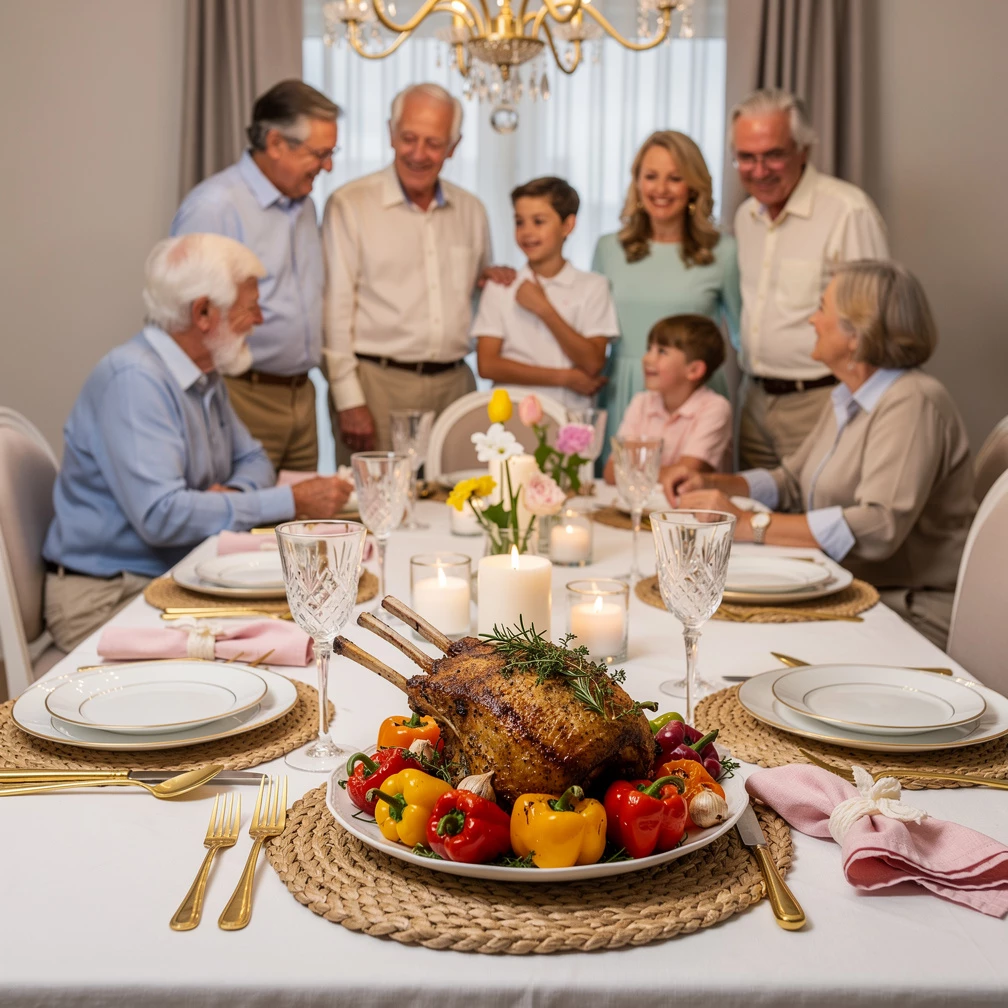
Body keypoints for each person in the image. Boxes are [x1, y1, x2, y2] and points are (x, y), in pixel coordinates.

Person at [42, 235, 354, 652]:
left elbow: (254, 457)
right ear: (203, 312)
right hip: (107, 596)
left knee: (313, 620)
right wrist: (288, 502)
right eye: (251, 306)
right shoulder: (135, 380)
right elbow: (162, 515)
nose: (260, 319)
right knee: (291, 643)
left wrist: (232, 495)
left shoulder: (202, 371)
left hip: (174, 574)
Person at [669, 261, 975, 648]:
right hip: (849, 589)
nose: (812, 320)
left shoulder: (912, 401)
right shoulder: (850, 395)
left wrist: (750, 524)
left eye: (822, 309)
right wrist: (713, 482)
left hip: (907, 609)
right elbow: (791, 481)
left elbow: (879, 524)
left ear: (856, 332)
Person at [322, 83, 515, 454]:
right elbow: (334, 310)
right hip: (377, 385)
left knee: (462, 503)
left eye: (434, 143)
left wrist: (493, 280)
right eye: (409, 138)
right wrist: (348, 399)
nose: (419, 154)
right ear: (391, 135)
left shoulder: (472, 210)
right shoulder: (350, 204)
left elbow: (475, 296)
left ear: (453, 147)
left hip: (456, 384)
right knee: (382, 507)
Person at [171, 80, 340, 470]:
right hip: (242, 394)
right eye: (321, 153)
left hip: (301, 393)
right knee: (247, 522)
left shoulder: (304, 205)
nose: (328, 166)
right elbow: (182, 320)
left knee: (302, 525)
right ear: (276, 143)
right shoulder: (214, 207)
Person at [731, 88, 889, 469]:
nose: (759, 170)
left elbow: (873, 323)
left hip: (821, 400)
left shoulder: (847, 211)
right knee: (754, 518)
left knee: (817, 519)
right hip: (753, 399)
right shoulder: (744, 217)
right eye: (746, 158)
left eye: (773, 154)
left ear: (803, 150)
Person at [592, 130, 740, 461]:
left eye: (675, 178)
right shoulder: (608, 249)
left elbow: (744, 336)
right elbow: (591, 328)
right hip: (622, 390)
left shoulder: (723, 252)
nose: (660, 189)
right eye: (651, 177)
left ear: (693, 186)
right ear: (637, 182)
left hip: (694, 396)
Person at [473, 176, 619, 410]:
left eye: (539, 221)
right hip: (510, 419)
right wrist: (566, 378)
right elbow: (487, 365)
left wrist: (544, 309)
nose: (527, 232)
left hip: (570, 418)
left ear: (567, 225)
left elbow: (593, 363)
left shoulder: (594, 286)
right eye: (520, 222)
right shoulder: (500, 286)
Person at [603, 314, 732, 485]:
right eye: (649, 349)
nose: (647, 358)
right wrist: (663, 473)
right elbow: (611, 472)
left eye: (662, 351)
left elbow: (682, 477)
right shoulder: (641, 402)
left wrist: (632, 469)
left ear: (694, 370)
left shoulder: (715, 408)